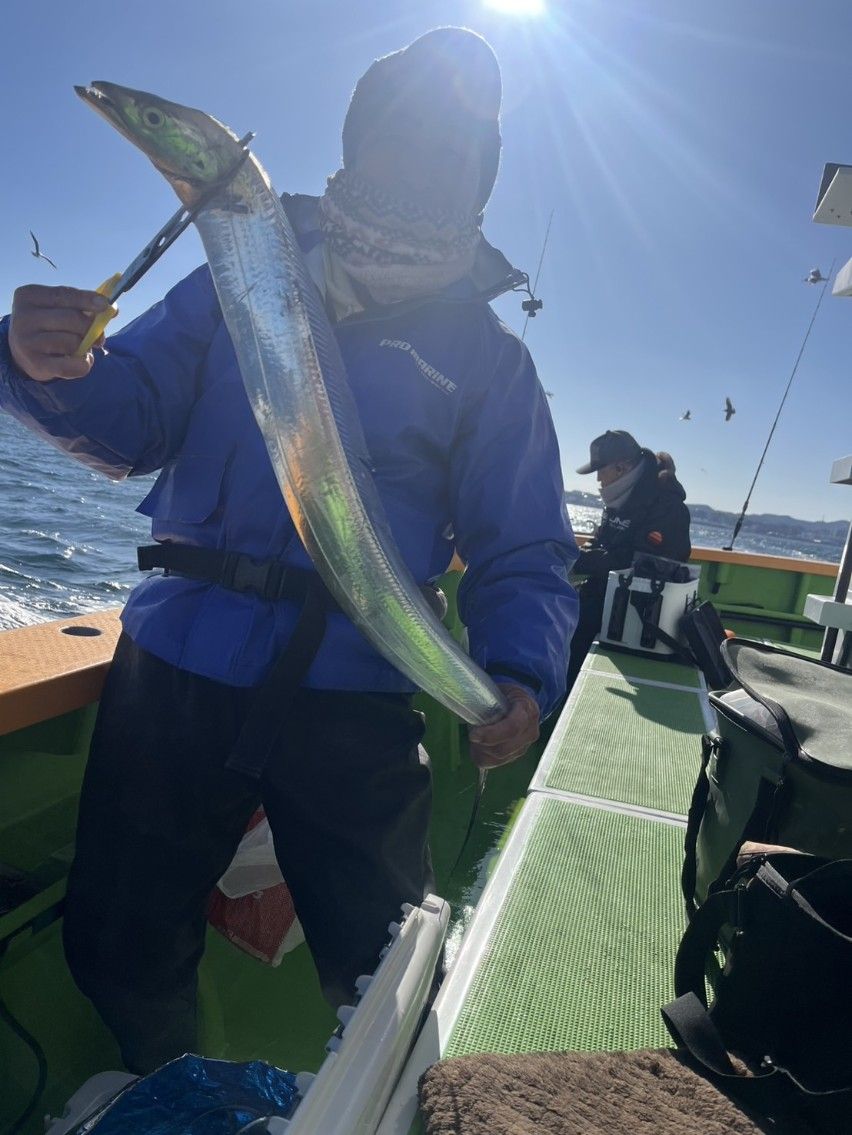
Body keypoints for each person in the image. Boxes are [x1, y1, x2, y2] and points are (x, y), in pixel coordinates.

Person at [0, 28, 578, 1072]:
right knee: (120, 938)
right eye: (403, 133)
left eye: (452, 147)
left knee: (384, 970)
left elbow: (524, 545)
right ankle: (171, 1086)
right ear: (359, 140)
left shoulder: (490, 363)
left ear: (480, 175)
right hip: (176, 662)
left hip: (358, 685)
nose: (422, 159)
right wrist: (53, 368)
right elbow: (133, 422)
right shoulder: (240, 266)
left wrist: (521, 671)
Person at [566, 430, 690, 691]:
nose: (598, 479)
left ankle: (564, 695)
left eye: (600, 470)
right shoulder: (622, 495)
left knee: (570, 627)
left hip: (636, 613)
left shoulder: (667, 507)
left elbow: (643, 564)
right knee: (555, 604)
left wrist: (577, 561)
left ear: (621, 468)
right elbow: (601, 541)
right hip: (604, 596)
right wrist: (575, 559)